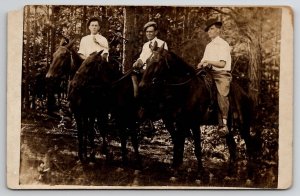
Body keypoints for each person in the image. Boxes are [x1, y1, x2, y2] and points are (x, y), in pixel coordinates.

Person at [197, 18, 232, 137]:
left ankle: (224, 124)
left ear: (218, 30)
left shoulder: (223, 44)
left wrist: (208, 62)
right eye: (208, 30)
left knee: (222, 93)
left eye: (212, 29)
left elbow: (222, 63)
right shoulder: (209, 46)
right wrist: (201, 64)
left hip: (221, 74)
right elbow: (203, 61)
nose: (209, 32)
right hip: (208, 73)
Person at [132, 21, 168, 97]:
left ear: (156, 32)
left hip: (153, 71)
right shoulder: (145, 45)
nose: (148, 33)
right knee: (131, 76)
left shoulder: (162, 43)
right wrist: (138, 62)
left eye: (151, 32)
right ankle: (136, 97)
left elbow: (162, 59)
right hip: (143, 69)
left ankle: (140, 99)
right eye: (147, 32)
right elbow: (142, 57)